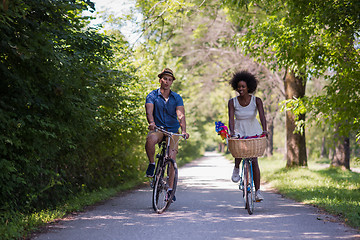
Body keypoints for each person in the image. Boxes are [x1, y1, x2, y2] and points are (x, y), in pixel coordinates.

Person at [145, 68, 190, 201]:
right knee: (150, 139)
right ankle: (152, 164)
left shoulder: (176, 98)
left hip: (172, 130)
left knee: (171, 158)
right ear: (160, 80)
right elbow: (149, 111)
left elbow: (181, 115)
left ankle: (170, 190)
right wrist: (152, 122)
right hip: (159, 128)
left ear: (172, 82)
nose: (167, 81)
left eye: (169, 80)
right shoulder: (152, 95)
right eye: (164, 79)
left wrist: (183, 131)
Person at [228, 70, 268, 202]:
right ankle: (236, 167)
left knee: (254, 160)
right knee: (239, 151)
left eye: (243, 87)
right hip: (239, 129)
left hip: (253, 129)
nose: (240, 89)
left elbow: (262, 116)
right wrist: (232, 132)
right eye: (238, 87)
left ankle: (258, 192)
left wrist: (265, 130)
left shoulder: (256, 101)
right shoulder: (232, 102)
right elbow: (231, 119)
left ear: (248, 87)